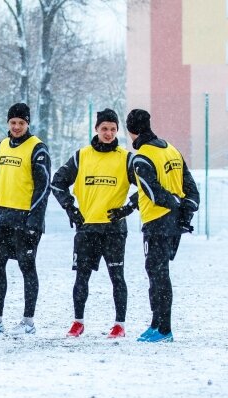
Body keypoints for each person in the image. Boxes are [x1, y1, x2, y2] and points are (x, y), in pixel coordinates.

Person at [51, 108, 136, 338]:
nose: (108, 133)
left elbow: (148, 186)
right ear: (96, 129)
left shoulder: (126, 158)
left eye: (113, 129)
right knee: (81, 277)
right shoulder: (81, 156)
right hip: (87, 228)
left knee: (117, 277)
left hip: (114, 230)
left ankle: (119, 325)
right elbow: (57, 182)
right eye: (104, 128)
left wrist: (128, 208)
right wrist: (71, 209)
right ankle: (78, 322)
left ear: (117, 131)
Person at [0, 102, 50, 335]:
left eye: (21, 123)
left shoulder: (38, 148)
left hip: (26, 219)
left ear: (28, 124)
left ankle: (28, 322)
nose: (16, 127)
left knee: (27, 266)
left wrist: (34, 221)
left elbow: (43, 187)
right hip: (4, 217)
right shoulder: (2, 145)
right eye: (13, 122)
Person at [125, 109, 199, 342]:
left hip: (157, 222)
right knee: (159, 273)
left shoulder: (141, 157)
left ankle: (164, 329)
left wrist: (175, 205)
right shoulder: (171, 149)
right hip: (175, 222)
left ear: (130, 130)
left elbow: (154, 193)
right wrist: (186, 209)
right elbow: (190, 187)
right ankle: (156, 324)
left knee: (158, 275)